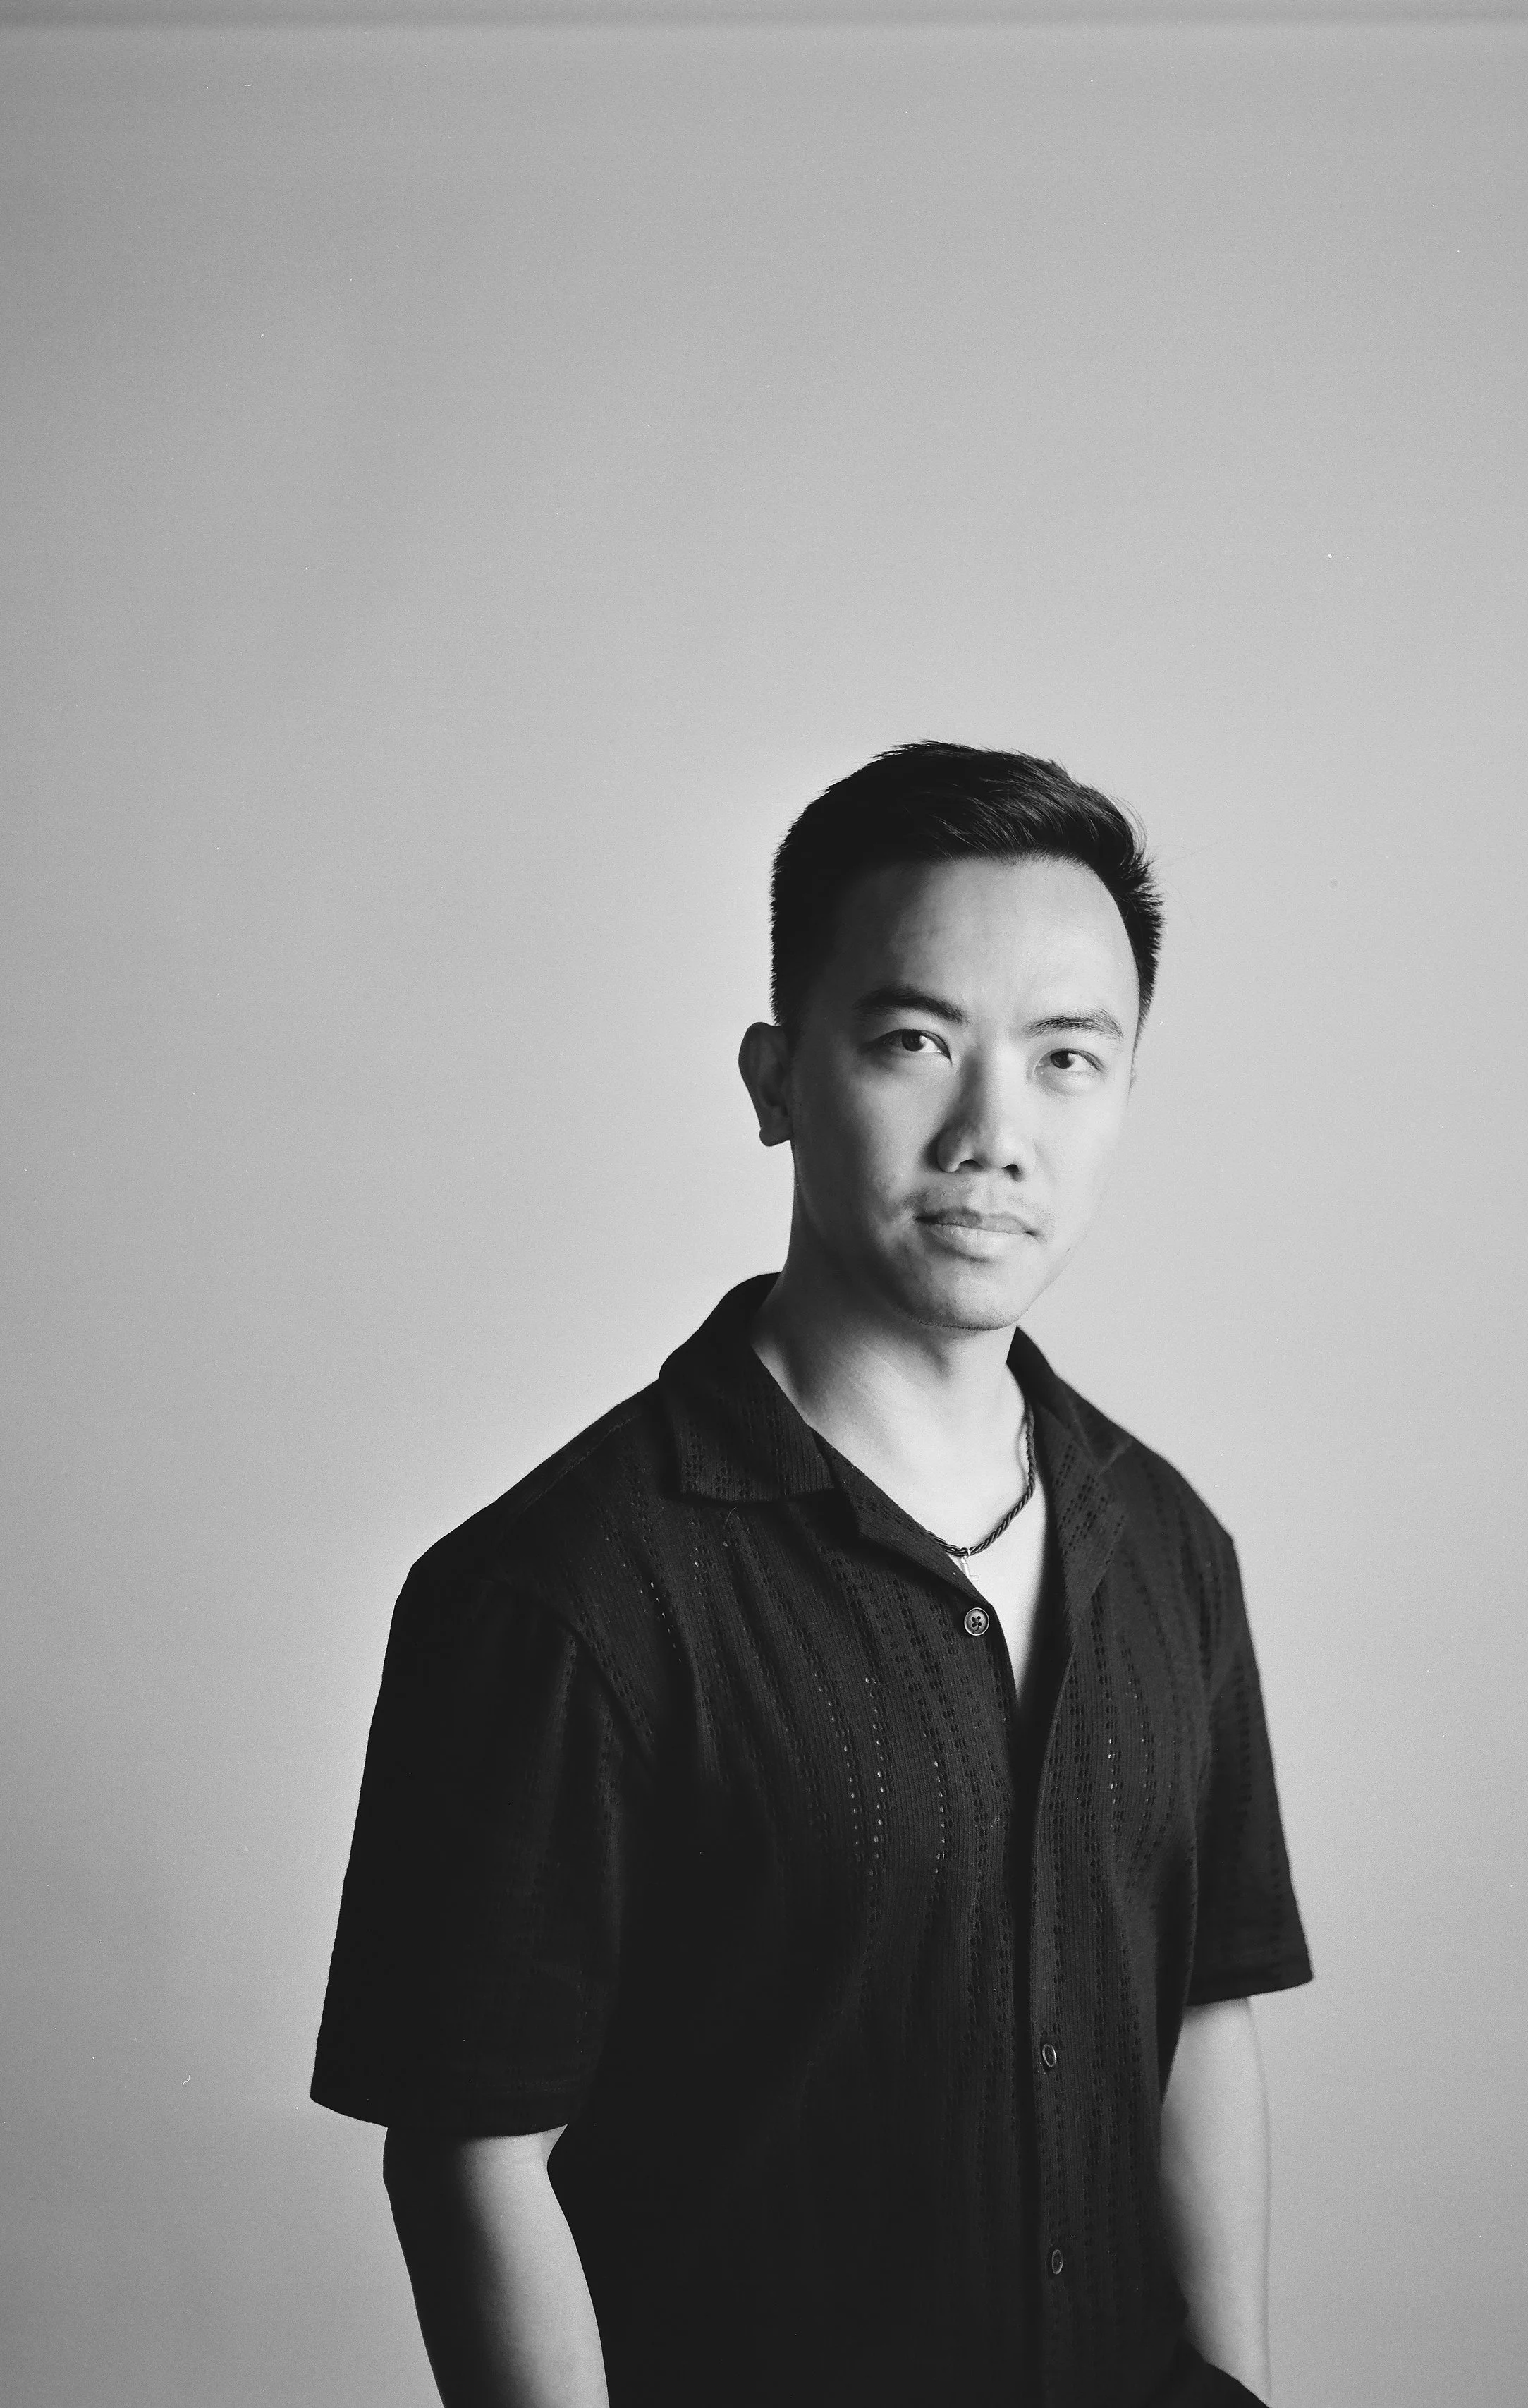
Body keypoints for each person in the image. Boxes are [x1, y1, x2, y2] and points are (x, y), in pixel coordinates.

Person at [311, 742, 1312, 2408]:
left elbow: (1202, 2018)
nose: (994, 1131)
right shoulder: (556, 1597)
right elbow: (469, 2160)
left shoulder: (1167, 1545)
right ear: (778, 1079)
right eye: (915, 1042)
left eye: (1068, 1058)